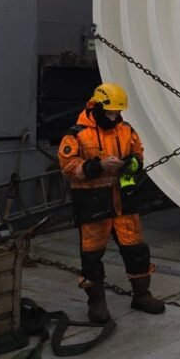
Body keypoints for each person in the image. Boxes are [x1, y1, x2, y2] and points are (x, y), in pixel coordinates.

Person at [58, 82, 165, 323]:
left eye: (117, 113)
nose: (114, 117)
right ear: (95, 107)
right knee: (92, 255)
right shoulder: (76, 134)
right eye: (109, 113)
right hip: (93, 205)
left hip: (124, 203)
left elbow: (138, 154)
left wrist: (130, 164)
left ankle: (142, 295)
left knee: (136, 250)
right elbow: (68, 166)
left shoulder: (125, 129)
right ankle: (96, 304)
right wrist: (99, 166)